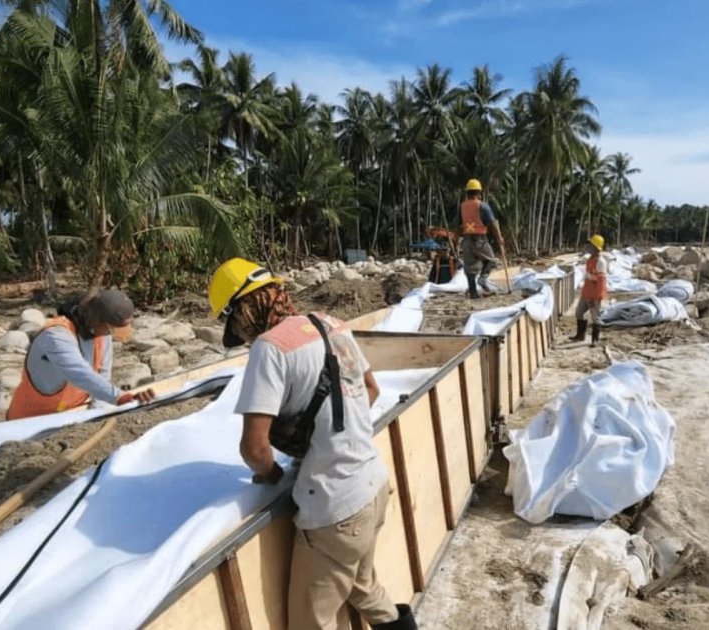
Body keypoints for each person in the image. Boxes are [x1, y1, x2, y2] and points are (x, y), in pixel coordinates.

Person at [208, 258, 416, 630]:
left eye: (235, 323)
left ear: (245, 308)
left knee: (310, 623)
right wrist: (336, 436)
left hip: (335, 509)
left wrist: (272, 475)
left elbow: (254, 449)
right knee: (363, 585)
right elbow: (369, 390)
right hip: (373, 485)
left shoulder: (269, 349)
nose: (240, 335)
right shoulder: (329, 323)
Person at [7, 288, 155, 420]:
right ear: (95, 319)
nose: (110, 335)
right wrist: (120, 397)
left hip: (68, 415)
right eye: (110, 329)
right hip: (28, 422)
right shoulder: (56, 336)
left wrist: (98, 414)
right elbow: (80, 374)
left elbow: (103, 373)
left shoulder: (102, 334)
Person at [459, 178, 506, 299]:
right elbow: (493, 223)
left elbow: (458, 225)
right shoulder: (482, 206)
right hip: (479, 239)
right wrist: (499, 238)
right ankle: (482, 279)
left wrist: (457, 241)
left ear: (467, 193)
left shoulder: (462, 207)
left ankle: (473, 293)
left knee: (469, 269)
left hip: (467, 240)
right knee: (491, 260)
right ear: (479, 193)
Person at [572, 235, 608, 347]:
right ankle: (580, 335)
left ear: (596, 248)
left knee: (595, 317)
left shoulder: (601, 262)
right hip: (586, 292)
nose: (588, 247)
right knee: (579, 313)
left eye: (591, 245)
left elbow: (601, 281)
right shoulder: (590, 260)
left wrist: (596, 297)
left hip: (594, 295)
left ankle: (595, 340)